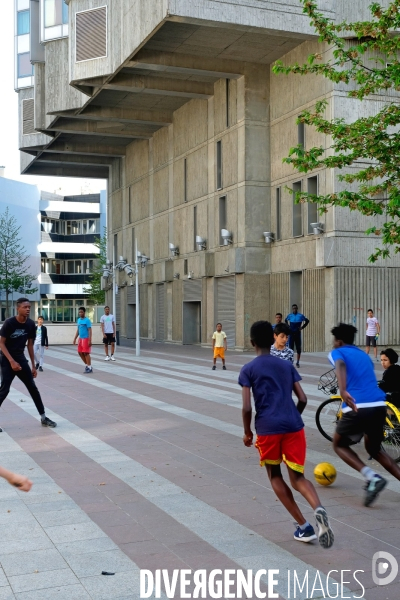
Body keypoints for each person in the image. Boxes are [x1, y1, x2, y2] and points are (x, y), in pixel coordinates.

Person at [239, 320, 334, 548]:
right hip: (293, 426)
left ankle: (304, 527)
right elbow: (303, 399)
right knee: (298, 478)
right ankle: (318, 508)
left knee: (275, 476)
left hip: (268, 428)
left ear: (252, 342)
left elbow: (246, 408)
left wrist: (247, 433)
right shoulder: (286, 365)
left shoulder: (249, 369)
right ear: (273, 337)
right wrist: (293, 417)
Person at [330, 323, 400, 507]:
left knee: (338, 444)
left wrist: (343, 389)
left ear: (339, 341)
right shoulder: (364, 355)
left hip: (358, 405)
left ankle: (372, 477)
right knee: (374, 449)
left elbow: (340, 364)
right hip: (379, 405)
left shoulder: (338, 352)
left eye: (334, 341)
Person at [0, 298, 57, 432]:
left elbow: (30, 345)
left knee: (32, 387)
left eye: (29, 307)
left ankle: (43, 418)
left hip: (21, 359)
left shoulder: (31, 324)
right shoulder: (9, 323)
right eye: (25, 307)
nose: (27, 309)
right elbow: (1, 343)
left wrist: (33, 365)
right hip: (7, 360)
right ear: (18, 308)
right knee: (4, 389)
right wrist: (11, 361)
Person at [73, 306, 93, 373]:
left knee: (86, 353)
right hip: (80, 339)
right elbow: (78, 330)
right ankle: (87, 365)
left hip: (86, 339)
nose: (80, 313)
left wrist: (90, 340)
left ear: (84, 312)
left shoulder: (87, 320)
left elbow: (90, 330)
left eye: (81, 312)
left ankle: (89, 367)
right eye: (79, 312)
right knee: (80, 352)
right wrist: (75, 338)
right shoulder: (78, 320)